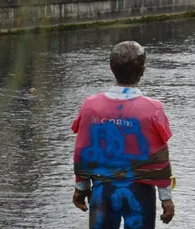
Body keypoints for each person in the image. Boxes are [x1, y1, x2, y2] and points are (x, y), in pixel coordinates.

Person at [71, 41, 175, 229]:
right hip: (140, 191)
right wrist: (166, 198)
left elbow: (82, 151)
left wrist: (81, 188)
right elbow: (160, 158)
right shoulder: (153, 109)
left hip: (102, 190)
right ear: (143, 69)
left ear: (111, 68)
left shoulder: (91, 105)